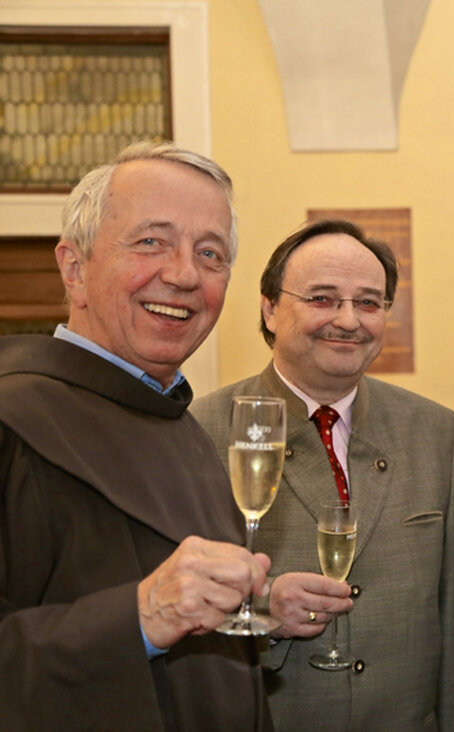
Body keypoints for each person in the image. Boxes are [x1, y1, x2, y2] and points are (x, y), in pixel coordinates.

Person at [0, 141, 270, 729]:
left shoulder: (185, 429)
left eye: (210, 253)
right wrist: (140, 618)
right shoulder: (12, 418)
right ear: (75, 270)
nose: (183, 274)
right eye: (151, 241)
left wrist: (265, 609)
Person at [191, 219, 454, 730]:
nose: (348, 320)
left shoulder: (437, 432)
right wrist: (264, 606)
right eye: (322, 298)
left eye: (368, 303)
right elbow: (171, 609)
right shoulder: (201, 431)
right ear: (269, 308)